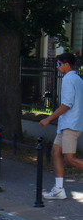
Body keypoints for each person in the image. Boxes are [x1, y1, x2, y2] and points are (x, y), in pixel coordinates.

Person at [39, 52, 83, 200]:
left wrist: (48, 119)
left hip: (70, 124)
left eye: (58, 64)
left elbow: (66, 104)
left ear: (66, 65)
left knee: (70, 159)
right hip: (67, 124)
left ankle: (59, 189)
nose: (57, 67)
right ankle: (59, 189)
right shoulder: (77, 79)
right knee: (55, 153)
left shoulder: (68, 79)